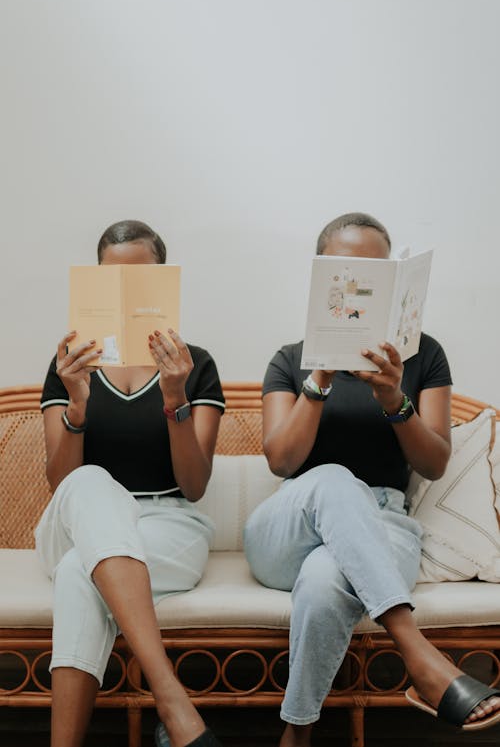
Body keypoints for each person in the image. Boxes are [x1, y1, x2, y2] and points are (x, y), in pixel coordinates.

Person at [244, 212, 500, 747]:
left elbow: (432, 464)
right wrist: (320, 378)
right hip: (290, 521)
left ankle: (297, 732)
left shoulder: (421, 355)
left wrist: (395, 401)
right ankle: (418, 653)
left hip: (382, 524)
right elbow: (282, 461)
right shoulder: (290, 360)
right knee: (333, 478)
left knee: (324, 579)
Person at [36, 220, 224, 747]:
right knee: (92, 482)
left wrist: (175, 396)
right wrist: (76, 403)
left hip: (168, 523)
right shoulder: (70, 364)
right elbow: (62, 483)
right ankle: (169, 693)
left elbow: (193, 484)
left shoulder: (195, 365)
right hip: (75, 522)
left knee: (81, 573)